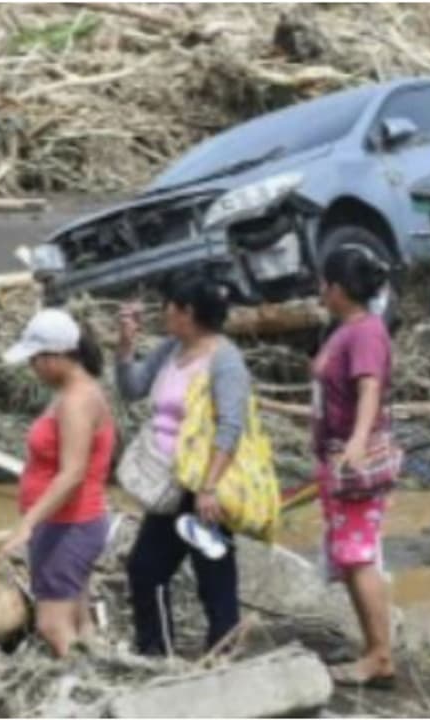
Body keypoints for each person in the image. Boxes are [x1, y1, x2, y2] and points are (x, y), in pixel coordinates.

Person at [117, 272, 250, 656]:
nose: (163, 313)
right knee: (146, 569)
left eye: (169, 307)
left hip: (205, 484)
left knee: (213, 575)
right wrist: (126, 348)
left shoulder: (225, 361)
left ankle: (221, 654)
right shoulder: (171, 348)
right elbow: (132, 389)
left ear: (187, 312)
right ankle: (156, 651)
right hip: (170, 482)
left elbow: (231, 425)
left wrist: (209, 487)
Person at [0, 308, 114, 657]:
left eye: (35, 360)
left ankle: (83, 697)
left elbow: (72, 473)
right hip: (70, 523)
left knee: (52, 625)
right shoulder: (73, 392)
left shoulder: (77, 401)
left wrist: (27, 524)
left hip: (70, 525)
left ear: (55, 357)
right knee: (79, 621)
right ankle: (100, 676)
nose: (33, 369)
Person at [313, 246, 396, 689]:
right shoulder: (345, 330)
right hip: (337, 455)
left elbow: (369, 387)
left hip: (353, 460)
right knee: (349, 556)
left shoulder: (364, 333)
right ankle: (373, 647)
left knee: (358, 556)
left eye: (324, 284)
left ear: (338, 288)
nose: (320, 292)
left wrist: (359, 440)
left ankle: (381, 654)